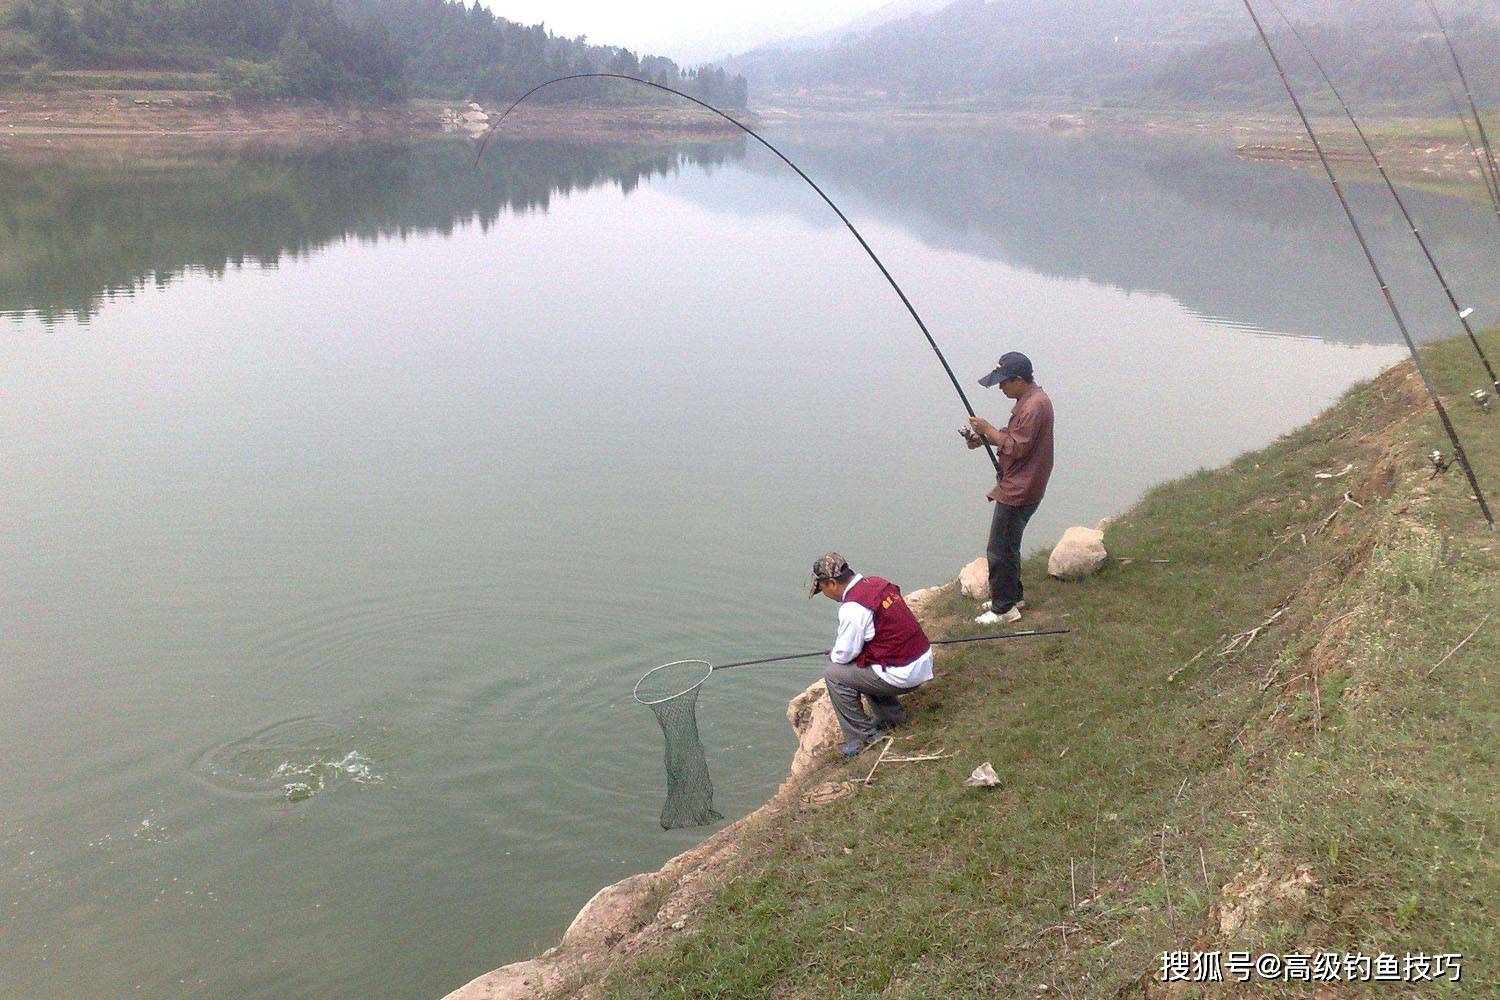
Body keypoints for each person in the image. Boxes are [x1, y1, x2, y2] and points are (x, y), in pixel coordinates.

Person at [808, 552, 934, 757]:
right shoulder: (877, 583)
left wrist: (833, 655)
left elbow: (843, 656)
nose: (826, 595)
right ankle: (892, 718)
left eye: (822, 589)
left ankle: (863, 737)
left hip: (903, 673)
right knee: (863, 661)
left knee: (834, 674)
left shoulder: (852, 608)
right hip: (921, 660)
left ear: (831, 582)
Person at [964, 351, 1054, 626]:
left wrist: (989, 429)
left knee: (999, 548)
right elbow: (1015, 439)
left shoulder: (1034, 406)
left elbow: (1016, 447)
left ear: (1018, 379)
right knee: (1009, 545)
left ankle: (1004, 609)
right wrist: (984, 438)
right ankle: (1012, 595)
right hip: (1022, 484)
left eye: (1004, 382)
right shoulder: (1030, 401)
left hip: (1020, 489)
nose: (1000, 387)